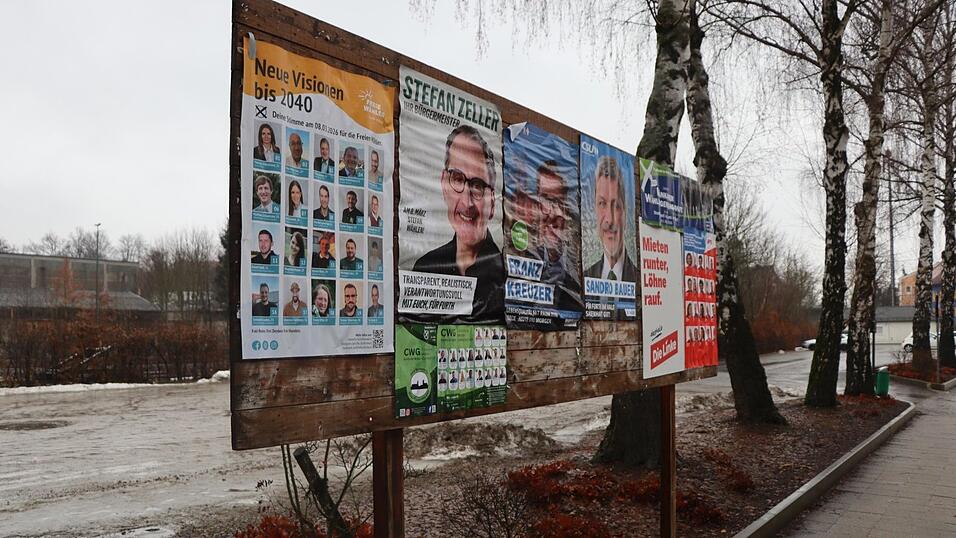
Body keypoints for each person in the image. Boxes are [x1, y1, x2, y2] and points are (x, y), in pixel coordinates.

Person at [412, 125, 505, 322]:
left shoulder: (505, 277)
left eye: (478, 185)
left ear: (493, 202)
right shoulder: (425, 268)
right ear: (444, 185)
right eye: (457, 179)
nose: (467, 202)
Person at [532, 160, 583, 312]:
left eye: (559, 203)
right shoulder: (523, 257)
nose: (554, 213)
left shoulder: (576, 270)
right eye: (546, 200)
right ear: (536, 205)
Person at [585, 156, 636, 282]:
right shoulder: (587, 276)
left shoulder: (638, 277)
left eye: (616, 206)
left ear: (624, 211)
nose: (610, 220)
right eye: (602, 203)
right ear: (594, 209)